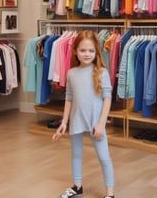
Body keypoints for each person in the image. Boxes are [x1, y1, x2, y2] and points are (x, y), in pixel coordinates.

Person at [52, 30, 115, 198]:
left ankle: (110, 193)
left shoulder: (102, 72)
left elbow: (107, 99)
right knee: (76, 154)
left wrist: (101, 123)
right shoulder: (71, 73)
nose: (87, 54)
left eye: (91, 51)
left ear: (96, 52)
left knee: (104, 157)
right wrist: (64, 121)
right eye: (83, 50)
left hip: (96, 121)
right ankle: (77, 186)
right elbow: (69, 98)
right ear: (75, 51)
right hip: (77, 119)